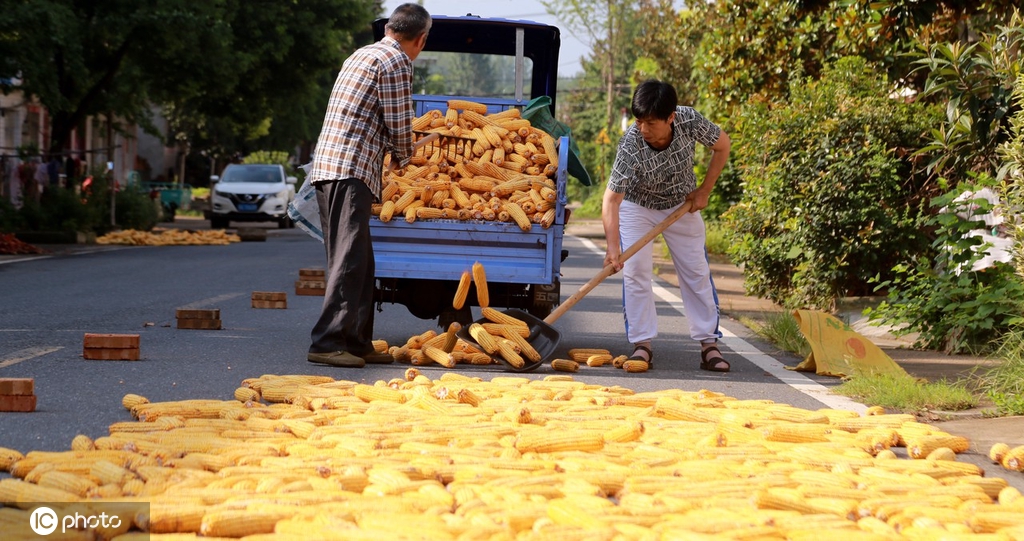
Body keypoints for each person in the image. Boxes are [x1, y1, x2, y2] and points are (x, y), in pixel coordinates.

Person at [304, 3, 431, 368]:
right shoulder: (395, 63)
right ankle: (327, 342)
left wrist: (398, 147)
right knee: (348, 259)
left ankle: (357, 340)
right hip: (350, 170)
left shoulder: (362, 54)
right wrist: (410, 149)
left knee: (360, 260)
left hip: (330, 168)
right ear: (420, 40)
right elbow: (399, 127)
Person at [601, 80, 733, 372]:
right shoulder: (631, 144)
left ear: (671, 117)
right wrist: (613, 248)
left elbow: (722, 146)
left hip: (681, 204)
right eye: (639, 121)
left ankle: (709, 343)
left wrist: (704, 192)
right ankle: (642, 344)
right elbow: (611, 200)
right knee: (636, 271)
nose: (643, 129)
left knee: (696, 270)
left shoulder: (689, 120)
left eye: (650, 122)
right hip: (639, 206)